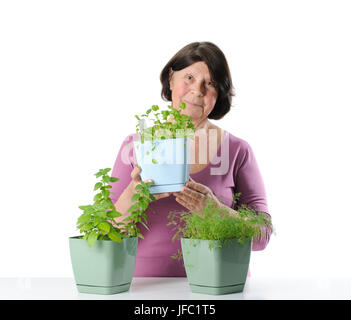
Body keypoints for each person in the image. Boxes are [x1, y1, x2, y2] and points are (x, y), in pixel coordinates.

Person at [109, 41, 272, 277]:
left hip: (218, 287)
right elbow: (105, 233)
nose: (198, 90)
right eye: (189, 78)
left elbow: (262, 236)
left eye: (211, 83)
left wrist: (216, 212)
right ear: (171, 78)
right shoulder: (134, 147)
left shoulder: (237, 151)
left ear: (220, 94)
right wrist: (132, 196)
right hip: (144, 289)